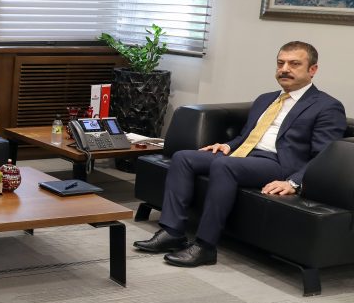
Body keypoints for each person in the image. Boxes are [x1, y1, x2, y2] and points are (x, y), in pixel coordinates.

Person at [134, 41, 347, 267]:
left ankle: (205, 246)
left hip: (279, 163)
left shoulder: (327, 106)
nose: (285, 69)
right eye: (280, 63)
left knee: (224, 166)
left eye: (294, 64)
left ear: (312, 70)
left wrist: (294, 182)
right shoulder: (266, 99)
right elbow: (248, 136)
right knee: (184, 158)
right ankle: (172, 232)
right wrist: (228, 146)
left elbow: (324, 155)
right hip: (245, 155)